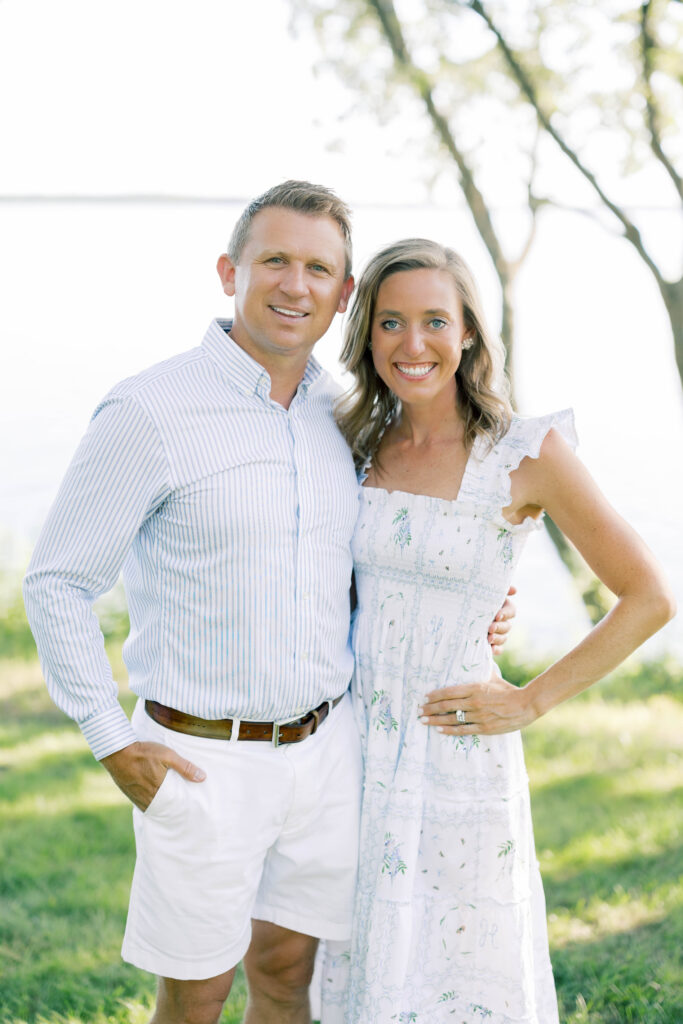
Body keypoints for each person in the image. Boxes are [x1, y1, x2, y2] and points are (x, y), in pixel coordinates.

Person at [22, 183, 514, 1024]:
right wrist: (112, 740)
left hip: (327, 750)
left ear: (343, 292)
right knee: (198, 995)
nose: (295, 285)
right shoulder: (150, 409)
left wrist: (478, 606)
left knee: (289, 976)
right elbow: (58, 581)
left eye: (318, 268)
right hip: (202, 758)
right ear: (230, 272)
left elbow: (365, 558)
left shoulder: (343, 413)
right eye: (275, 260)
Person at [318, 238, 675, 1024]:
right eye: (389, 322)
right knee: (361, 963)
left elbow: (647, 596)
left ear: (469, 331)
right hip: (352, 746)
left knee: (458, 971)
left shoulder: (523, 452)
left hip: (457, 749)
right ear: (366, 335)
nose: (412, 343)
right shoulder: (350, 442)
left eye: (434, 321)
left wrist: (529, 699)